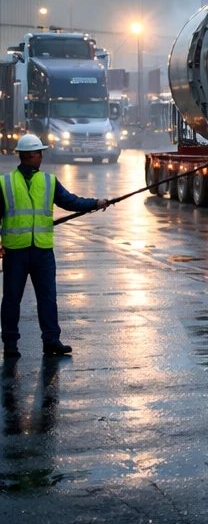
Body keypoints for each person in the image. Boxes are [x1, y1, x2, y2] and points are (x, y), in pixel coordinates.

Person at [1, 134, 109, 358]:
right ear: (29, 155)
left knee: (45, 297)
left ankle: (49, 340)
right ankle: (12, 343)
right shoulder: (5, 183)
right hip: (17, 251)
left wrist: (95, 203)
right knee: (15, 298)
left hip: (40, 250)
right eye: (39, 152)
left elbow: (70, 201)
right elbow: (71, 201)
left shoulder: (48, 181)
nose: (42, 156)